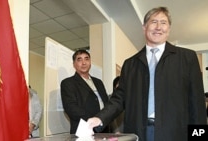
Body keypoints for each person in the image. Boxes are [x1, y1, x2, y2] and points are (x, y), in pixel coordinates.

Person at [87, 7, 207, 141]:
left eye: (163, 22)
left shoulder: (187, 58)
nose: (158, 27)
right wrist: (100, 118)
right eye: (153, 22)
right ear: (144, 27)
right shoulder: (130, 64)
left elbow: (197, 104)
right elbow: (119, 99)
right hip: (139, 132)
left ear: (169, 29)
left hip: (176, 133)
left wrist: (199, 137)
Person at [60, 49, 110, 134]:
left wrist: (103, 119)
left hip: (104, 129)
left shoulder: (99, 82)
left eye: (86, 59)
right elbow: (71, 108)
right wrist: (95, 119)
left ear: (90, 62)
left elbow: (107, 104)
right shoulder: (68, 83)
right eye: (79, 59)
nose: (84, 63)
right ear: (74, 64)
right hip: (83, 130)